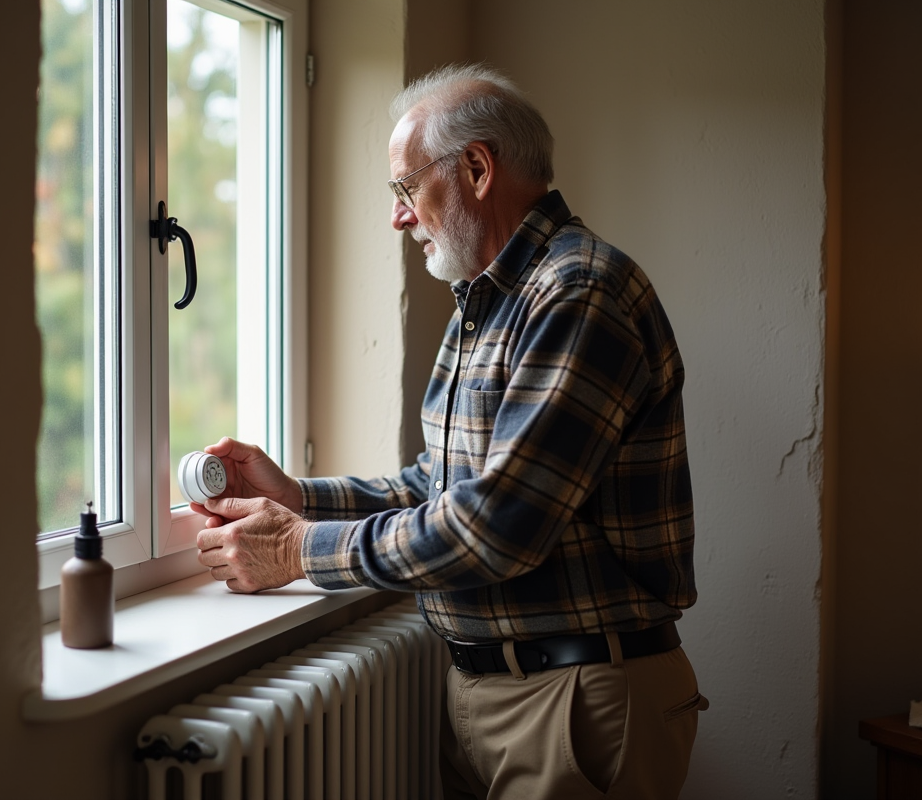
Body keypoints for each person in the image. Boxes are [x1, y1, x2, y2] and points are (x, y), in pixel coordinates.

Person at [193, 63, 707, 799]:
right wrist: (300, 495)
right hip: (502, 691)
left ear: (475, 168)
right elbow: (435, 488)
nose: (398, 216)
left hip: (577, 696)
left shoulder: (578, 292)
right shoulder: (488, 301)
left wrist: (297, 548)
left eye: (405, 188)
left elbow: (497, 525)